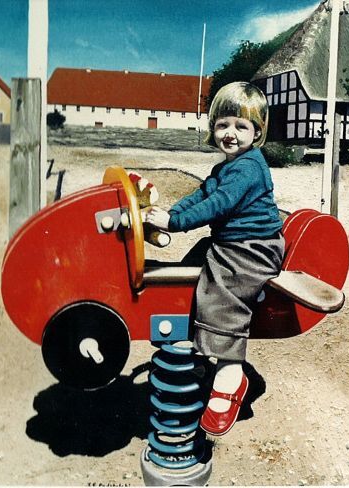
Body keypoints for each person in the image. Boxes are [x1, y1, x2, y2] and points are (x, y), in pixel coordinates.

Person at [146, 81, 284, 436]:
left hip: (253, 248)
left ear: (257, 132)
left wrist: (174, 223)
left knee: (225, 290)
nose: (230, 134)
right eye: (223, 124)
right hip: (232, 242)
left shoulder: (249, 167)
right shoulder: (226, 167)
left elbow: (218, 205)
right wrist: (171, 212)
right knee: (191, 269)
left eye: (241, 126)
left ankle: (230, 374)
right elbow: (202, 194)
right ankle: (195, 343)